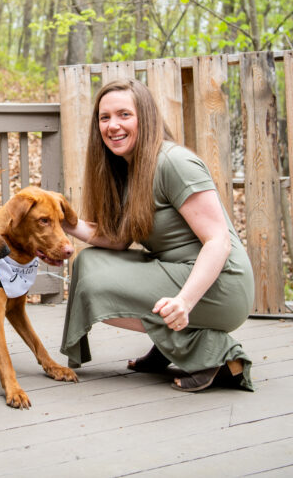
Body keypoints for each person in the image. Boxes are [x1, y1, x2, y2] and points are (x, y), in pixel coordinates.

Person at [59, 78, 255, 392]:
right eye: (104, 117)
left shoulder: (173, 163)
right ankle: (168, 345)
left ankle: (214, 356)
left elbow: (218, 240)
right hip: (177, 269)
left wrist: (184, 302)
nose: (113, 126)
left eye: (124, 115)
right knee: (89, 264)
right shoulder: (127, 168)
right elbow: (117, 239)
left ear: (146, 117)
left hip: (221, 284)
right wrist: (65, 222)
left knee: (96, 289)